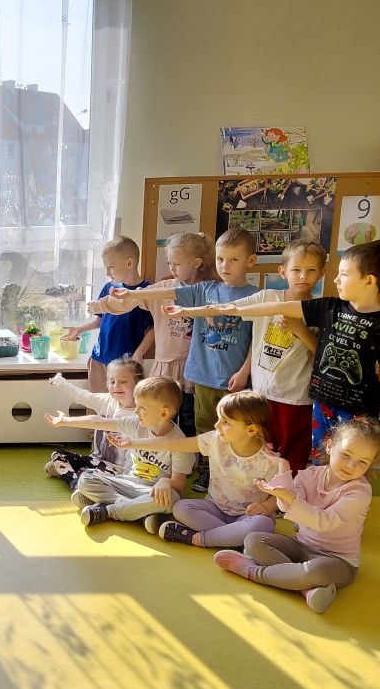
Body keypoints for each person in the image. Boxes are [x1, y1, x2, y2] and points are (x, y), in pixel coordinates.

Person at [182, 241, 380, 460]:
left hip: (356, 410)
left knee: (350, 458)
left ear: (369, 280)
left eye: (343, 274)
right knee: (319, 457)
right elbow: (277, 306)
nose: (336, 280)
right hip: (321, 404)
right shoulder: (330, 306)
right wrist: (235, 309)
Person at [113, 228, 260, 492]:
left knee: (235, 427)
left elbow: (255, 341)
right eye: (220, 259)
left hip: (234, 379)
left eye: (233, 260)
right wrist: (133, 295)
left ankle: (232, 474)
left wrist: (244, 371)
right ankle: (208, 472)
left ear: (250, 261)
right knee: (205, 427)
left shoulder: (256, 296)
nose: (225, 266)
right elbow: (164, 292)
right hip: (202, 376)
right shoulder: (204, 289)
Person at [167, 239, 325, 471]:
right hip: (261, 394)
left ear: (321, 273)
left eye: (311, 270)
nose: (303, 276)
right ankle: (257, 486)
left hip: (296, 397)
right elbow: (229, 308)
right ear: (283, 272)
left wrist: (301, 331)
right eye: (296, 270)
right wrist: (186, 310)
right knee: (260, 447)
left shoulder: (322, 309)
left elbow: (321, 355)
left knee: (293, 452)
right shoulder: (267, 297)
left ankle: (288, 490)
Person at [214, 418, 380, 613]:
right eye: (346, 455)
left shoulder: (360, 492)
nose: (351, 466)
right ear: (330, 446)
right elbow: (288, 509)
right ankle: (304, 588)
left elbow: (324, 522)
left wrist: (287, 496)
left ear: (370, 464)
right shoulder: (309, 474)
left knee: (317, 571)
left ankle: (251, 571)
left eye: (362, 462)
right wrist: (283, 470)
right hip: (302, 546)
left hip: (338, 561)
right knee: (253, 540)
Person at [112, 390, 282, 548]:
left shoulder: (270, 460)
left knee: (264, 523)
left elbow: (281, 495)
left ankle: (198, 538)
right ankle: (231, 538)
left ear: (250, 429)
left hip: (246, 516)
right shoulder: (214, 441)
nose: (217, 426)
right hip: (214, 510)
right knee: (181, 508)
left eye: (226, 422)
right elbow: (172, 444)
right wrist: (132, 443)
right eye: (219, 419)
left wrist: (267, 507)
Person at [88, 231, 217, 436]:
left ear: (196, 263)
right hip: (166, 364)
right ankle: (158, 451)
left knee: (190, 416)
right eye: (169, 263)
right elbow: (129, 300)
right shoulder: (162, 288)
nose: (171, 269)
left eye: (176, 264)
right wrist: (100, 305)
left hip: (195, 365)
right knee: (160, 415)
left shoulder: (209, 290)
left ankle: (187, 452)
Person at [45, 377, 197, 530]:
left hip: (151, 492)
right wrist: (65, 421)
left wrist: (166, 482)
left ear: (163, 413)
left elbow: (179, 483)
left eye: (142, 408)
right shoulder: (135, 424)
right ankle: (140, 514)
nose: (136, 411)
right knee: (85, 479)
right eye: (136, 405)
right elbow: (99, 422)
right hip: (127, 482)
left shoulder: (180, 442)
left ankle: (108, 511)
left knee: (173, 500)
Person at [64, 236, 154, 393]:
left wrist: (138, 354)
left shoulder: (147, 291)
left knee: (125, 404)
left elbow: (152, 329)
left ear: (129, 263)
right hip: (99, 358)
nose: (107, 272)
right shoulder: (108, 288)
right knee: (97, 403)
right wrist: (80, 329)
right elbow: (100, 321)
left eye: (110, 267)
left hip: (126, 364)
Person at [43, 356, 143, 494]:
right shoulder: (106, 400)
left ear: (138, 384)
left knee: (85, 475)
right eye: (112, 381)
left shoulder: (139, 416)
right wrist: (59, 381)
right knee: (58, 455)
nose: (116, 386)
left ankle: (78, 479)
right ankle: (78, 484)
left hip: (117, 470)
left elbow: (133, 456)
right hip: (96, 461)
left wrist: (124, 481)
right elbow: (81, 396)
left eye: (123, 381)